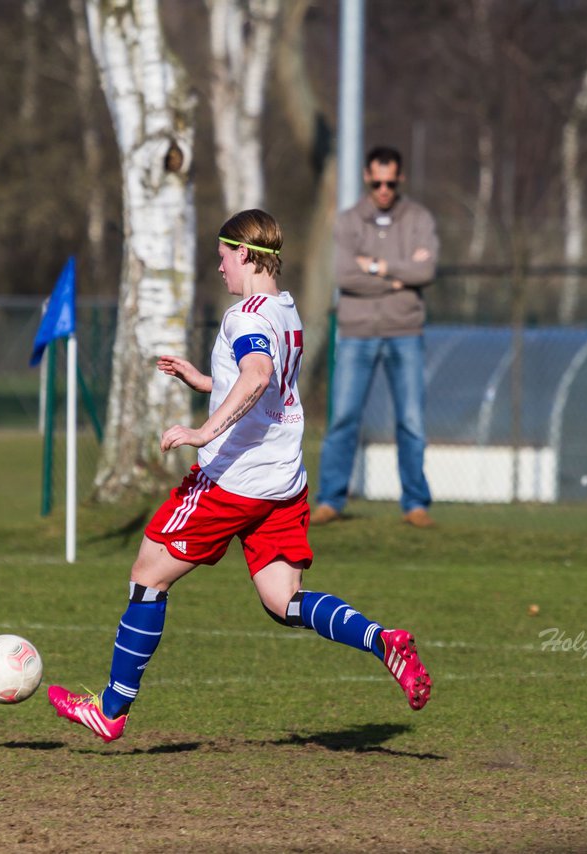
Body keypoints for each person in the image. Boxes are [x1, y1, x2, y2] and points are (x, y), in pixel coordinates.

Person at [48, 209, 432, 743]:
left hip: (231, 481)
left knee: (146, 576)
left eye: (223, 257)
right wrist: (206, 379)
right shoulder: (284, 308)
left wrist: (204, 432)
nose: (220, 267)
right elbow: (260, 382)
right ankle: (382, 640)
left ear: (246, 254)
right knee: (284, 601)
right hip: (283, 482)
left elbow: (255, 375)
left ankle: (111, 710)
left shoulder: (243, 316)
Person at [310, 146, 439, 528]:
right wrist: (399, 277)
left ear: (400, 179)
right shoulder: (349, 221)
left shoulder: (418, 219)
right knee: (344, 418)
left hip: (405, 332)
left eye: (390, 182)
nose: (383, 189)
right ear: (367, 177)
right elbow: (344, 275)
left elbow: (426, 270)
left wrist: (376, 267)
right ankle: (330, 499)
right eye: (377, 181)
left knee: (411, 421)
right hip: (357, 333)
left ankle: (415, 503)